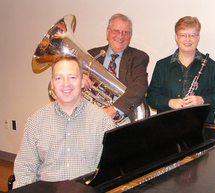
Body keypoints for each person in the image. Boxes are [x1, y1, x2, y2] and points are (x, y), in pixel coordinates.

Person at [13, 55, 115, 188]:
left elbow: (112, 170)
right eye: (59, 78)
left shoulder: (103, 121)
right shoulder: (35, 121)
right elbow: (25, 168)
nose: (66, 83)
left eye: (72, 77)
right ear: (52, 83)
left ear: (82, 82)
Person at [146, 16, 215, 123]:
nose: (187, 39)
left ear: (198, 37)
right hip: (168, 126)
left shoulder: (210, 65)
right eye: (183, 35)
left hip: (201, 126)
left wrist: (202, 100)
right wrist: (170, 102)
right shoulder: (162, 65)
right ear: (176, 37)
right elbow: (151, 97)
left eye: (192, 35)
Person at [85, 13, 149, 123]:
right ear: (107, 32)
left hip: (125, 118)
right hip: (92, 116)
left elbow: (139, 86)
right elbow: (65, 73)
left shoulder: (138, 57)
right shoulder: (92, 55)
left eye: (125, 32)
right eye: (116, 31)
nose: (120, 36)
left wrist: (114, 109)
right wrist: (79, 76)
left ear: (130, 35)